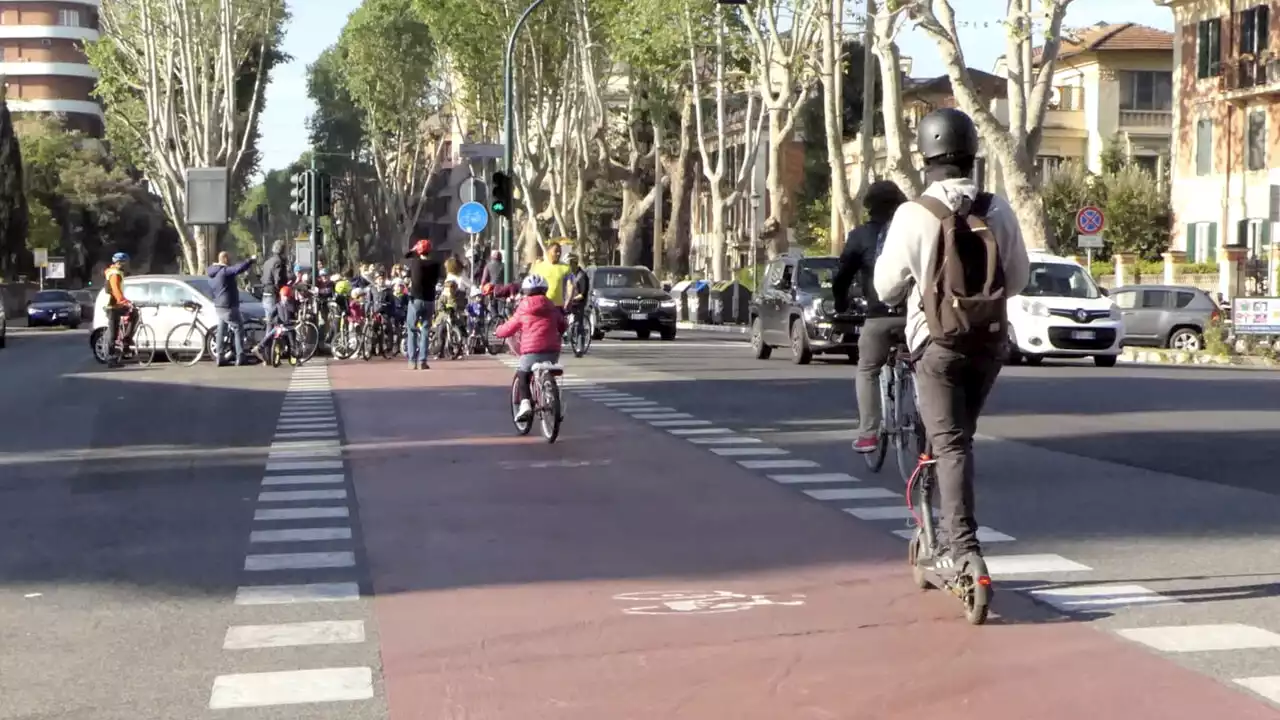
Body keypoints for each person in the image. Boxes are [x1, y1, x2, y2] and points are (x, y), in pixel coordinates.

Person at [873, 107, 1030, 579]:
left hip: (936, 346)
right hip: (988, 344)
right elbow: (1019, 279)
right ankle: (947, 532)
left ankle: (962, 549)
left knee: (950, 444)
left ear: (926, 156)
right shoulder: (997, 208)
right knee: (960, 437)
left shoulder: (913, 213)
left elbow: (885, 287)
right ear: (972, 155)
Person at [832, 180, 909, 452]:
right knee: (928, 368)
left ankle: (868, 434)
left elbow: (842, 276)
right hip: (915, 319)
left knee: (867, 369)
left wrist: (840, 303)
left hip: (878, 318)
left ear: (868, 207)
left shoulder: (860, 236)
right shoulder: (910, 234)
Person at [495, 274, 567, 422]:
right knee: (548, 370)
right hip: (552, 350)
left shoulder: (523, 307)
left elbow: (510, 327)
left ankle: (525, 404)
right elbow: (563, 324)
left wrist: (498, 331)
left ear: (526, 291)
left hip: (531, 351)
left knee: (523, 375)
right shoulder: (552, 306)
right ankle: (550, 396)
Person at [206, 251, 256, 366]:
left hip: (219, 306)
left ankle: (220, 356)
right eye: (229, 259)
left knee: (221, 330)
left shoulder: (212, 274)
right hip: (228, 306)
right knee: (238, 328)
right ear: (224, 259)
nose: (231, 261)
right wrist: (250, 261)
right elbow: (237, 269)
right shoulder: (224, 271)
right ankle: (240, 356)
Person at [403, 238, 442, 369]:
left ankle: (412, 360)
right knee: (425, 330)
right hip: (429, 299)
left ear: (419, 251)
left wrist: (414, 249)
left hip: (415, 299)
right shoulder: (435, 264)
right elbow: (437, 280)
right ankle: (422, 361)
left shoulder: (415, 263)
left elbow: (406, 255)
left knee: (412, 329)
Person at [102, 251, 134, 368]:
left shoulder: (117, 272)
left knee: (133, 313)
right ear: (119, 262)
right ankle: (111, 358)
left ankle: (125, 343)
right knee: (113, 333)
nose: (126, 265)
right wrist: (124, 301)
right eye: (125, 262)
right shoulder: (114, 274)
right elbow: (116, 290)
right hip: (112, 306)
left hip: (116, 305)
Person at [252, 285, 295, 363]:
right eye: (283, 296)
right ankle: (260, 346)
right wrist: (269, 319)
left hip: (289, 327)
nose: (284, 298)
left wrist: (293, 321)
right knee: (272, 332)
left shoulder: (291, 306)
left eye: (286, 296)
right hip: (280, 326)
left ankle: (294, 355)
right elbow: (272, 314)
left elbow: (294, 315)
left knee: (292, 341)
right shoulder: (278, 305)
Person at [529, 240, 572, 308]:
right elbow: (532, 286)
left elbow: (570, 285)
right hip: (542, 305)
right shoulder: (538, 267)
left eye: (560, 252)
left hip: (558, 306)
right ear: (548, 252)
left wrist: (569, 300)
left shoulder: (566, 267)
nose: (558, 253)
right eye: (556, 251)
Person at [259, 240, 289, 321]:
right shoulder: (278, 262)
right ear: (283, 250)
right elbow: (278, 280)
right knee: (274, 322)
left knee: (270, 321)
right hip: (273, 295)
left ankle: (268, 333)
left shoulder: (267, 262)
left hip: (265, 293)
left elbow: (263, 278)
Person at [565, 255, 591, 336]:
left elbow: (582, 294)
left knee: (578, 324)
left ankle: (581, 340)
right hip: (570, 301)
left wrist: (572, 299)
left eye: (569, 264)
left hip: (579, 303)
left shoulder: (582, 276)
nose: (568, 266)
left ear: (574, 263)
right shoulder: (570, 275)